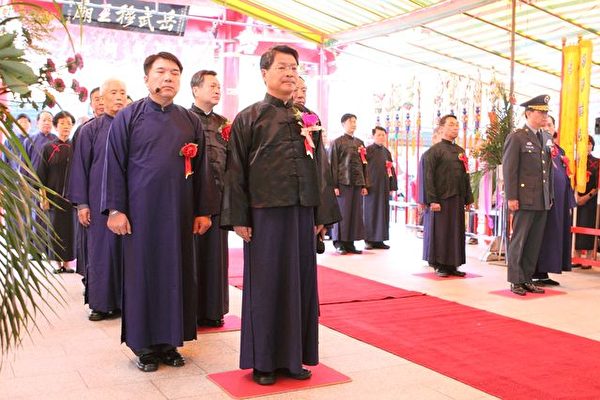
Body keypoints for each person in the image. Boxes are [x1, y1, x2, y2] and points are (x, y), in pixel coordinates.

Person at [221, 45, 340, 386]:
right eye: (282, 67)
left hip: (302, 214)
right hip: (265, 217)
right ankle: (264, 362)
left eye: (294, 67)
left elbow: (321, 169)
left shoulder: (309, 118)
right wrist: (239, 217)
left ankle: (292, 358)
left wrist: (321, 214)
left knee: (300, 285)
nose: (290, 73)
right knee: (266, 286)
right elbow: (235, 170)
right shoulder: (249, 117)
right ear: (264, 74)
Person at [102, 52, 219, 372]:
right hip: (140, 215)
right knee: (143, 275)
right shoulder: (129, 116)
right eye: (161, 71)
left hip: (179, 214)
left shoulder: (189, 120)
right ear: (146, 79)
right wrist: (115, 209)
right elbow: (114, 164)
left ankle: (169, 342)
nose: (168, 77)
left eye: (175, 72)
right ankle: (144, 346)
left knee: (176, 274)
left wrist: (203, 211)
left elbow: (202, 167)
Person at [69, 79, 127, 321]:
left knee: (126, 253)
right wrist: (82, 204)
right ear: (102, 99)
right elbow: (79, 168)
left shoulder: (133, 126)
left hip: (127, 202)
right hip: (97, 201)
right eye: (113, 92)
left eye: (122, 92)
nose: (119, 97)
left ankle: (126, 303)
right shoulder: (90, 130)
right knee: (101, 253)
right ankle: (101, 304)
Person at [189, 70, 229, 328]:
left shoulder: (224, 123)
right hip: (191, 200)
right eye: (212, 86)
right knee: (192, 255)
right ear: (195, 89)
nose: (217, 90)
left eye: (218, 86)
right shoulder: (183, 119)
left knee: (216, 257)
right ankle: (190, 310)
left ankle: (214, 310)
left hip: (219, 198)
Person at [502, 95, 553, 295]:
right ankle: (515, 280)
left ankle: (527, 278)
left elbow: (547, 170)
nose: (544, 116)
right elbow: (510, 169)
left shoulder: (546, 137)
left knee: (534, 242)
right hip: (523, 198)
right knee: (519, 240)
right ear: (528, 113)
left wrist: (549, 196)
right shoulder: (517, 136)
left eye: (546, 112)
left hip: (541, 198)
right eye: (541, 112)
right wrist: (511, 197)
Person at [425, 114, 473, 277]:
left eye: (457, 124)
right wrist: (433, 200)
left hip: (458, 198)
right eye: (451, 124)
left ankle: (453, 264)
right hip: (442, 199)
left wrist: (468, 198)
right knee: (442, 232)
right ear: (442, 128)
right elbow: (429, 178)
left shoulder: (460, 151)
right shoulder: (434, 151)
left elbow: (466, 175)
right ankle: (441, 265)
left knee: (456, 232)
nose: (455, 127)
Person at [534, 116, 576, 285]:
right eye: (544, 125)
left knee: (553, 236)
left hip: (559, 202)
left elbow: (565, 177)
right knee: (541, 236)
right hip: (543, 200)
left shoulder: (559, 151)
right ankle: (534, 272)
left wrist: (569, 201)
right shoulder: (536, 147)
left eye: (550, 125)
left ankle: (544, 272)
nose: (547, 128)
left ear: (554, 128)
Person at [37, 111, 76, 273]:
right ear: (55, 126)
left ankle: (67, 263)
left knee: (70, 231)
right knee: (54, 230)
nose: (66, 126)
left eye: (69, 123)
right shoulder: (48, 148)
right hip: (53, 197)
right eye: (62, 123)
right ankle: (56, 263)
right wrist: (43, 197)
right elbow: (40, 175)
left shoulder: (76, 146)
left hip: (73, 198)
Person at [329, 113, 368, 254]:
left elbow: (364, 164)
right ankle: (339, 243)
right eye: (351, 122)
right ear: (343, 124)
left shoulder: (360, 143)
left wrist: (364, 185)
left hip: (357, 183)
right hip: (342, 183)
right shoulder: (337, 142)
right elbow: (333, 165)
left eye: (355, 122)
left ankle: (350, 243)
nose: (354, 124)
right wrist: (334, 186)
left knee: (355, 214)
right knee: (343, 213)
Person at [363, 126, 397, 249]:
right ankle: (368, 240)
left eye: (383, 135)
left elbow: (391, 169)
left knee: (383, 213)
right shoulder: (367, 150)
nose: (381, 137)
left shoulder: (386, 152)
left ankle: (380, 239)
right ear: (373, 136)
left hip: (384, 187)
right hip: (371, 187)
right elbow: (363, 168)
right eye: (379, 135)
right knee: (370, 212)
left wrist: (392, 185)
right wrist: (364, 185)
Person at [573, 135, 598, 268]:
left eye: (589, 143)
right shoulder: (575, 162)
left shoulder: (597, 162)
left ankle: (588, 259)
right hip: (576, 198)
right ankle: (576, 257)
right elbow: (571, 179)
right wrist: (576, 196)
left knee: (588, 225)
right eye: (584, 143)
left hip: (591, 200)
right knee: (575, 224)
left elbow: (597, 185)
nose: (587, 145)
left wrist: (587, 196)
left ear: (592, 145)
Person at [418, 128, 441, 265]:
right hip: (430, 198)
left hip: (442, 197)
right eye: (439, 136)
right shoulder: (427, 155)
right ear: (434, 138)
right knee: (431, 229)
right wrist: (422, 199)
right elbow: (422, 179)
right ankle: (430, 256)